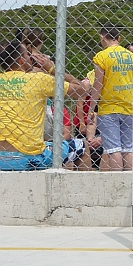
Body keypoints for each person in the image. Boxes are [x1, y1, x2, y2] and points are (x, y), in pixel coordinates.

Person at [0, 40, 85, 170]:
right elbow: (82, 89)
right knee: (81, 145)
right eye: (28, 54)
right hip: (28, 156)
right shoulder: (39, 79)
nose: (32, 57)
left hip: (1, 157)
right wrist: (52, 69)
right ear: (22, 60)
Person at [91, 26, 133, 171]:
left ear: (102, 38)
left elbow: (98, 85)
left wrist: (91, 108)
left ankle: (118, 181)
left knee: (114, 149)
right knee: (128, 149)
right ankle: (130, 180)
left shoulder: (101, 56)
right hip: (129, 106)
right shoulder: (131, 55)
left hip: (108, 107)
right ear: (119, 38)